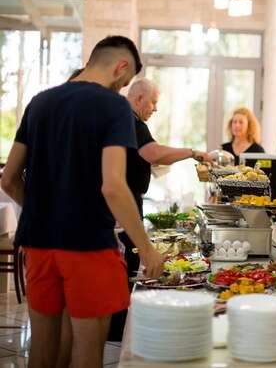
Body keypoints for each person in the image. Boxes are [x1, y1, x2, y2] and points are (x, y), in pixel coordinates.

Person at [0, 35, 165, 368]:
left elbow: (8, 179)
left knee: (42, 350)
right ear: (121, 66)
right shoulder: (114, 106)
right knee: (87, 352)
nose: (121, 89)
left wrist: (43, 212)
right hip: (88, 245)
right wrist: (146, 248)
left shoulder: (39, 102)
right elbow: (113, 186)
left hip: (39, 244)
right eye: (125, 82)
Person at [108, 77, 212, 341]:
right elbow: (153, 153)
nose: (155, 108)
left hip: (127, 202)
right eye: (153, 102)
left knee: (127, 265)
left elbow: (147, 157)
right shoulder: (131, 121)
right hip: (123, 206)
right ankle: (116, 330)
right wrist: (193, 152)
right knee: (125, 265)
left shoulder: (129, 121)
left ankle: (119, 326)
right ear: (139, 99)